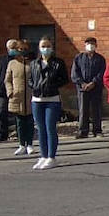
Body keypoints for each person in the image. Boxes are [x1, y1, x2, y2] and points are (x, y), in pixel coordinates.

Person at [28, 38, 68, 170]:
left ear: (52, 47)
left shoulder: (58, 63)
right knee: (40, 129)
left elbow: (64, 79)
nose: (45, 48)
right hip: (37, 99)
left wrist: (51, 85)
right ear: (39, 48)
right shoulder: (34, 63)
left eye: (48, 46)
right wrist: (34, 86)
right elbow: (30, 79)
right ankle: (43, 156)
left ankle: (52, 157)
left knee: (50, 127)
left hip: (52, 99)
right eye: (43, 46)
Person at [3, 40, 35, 158]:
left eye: (24, 48)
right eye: (20, 49)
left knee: (30, 121)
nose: (22, 51)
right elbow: (7, 80)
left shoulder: (32, 63)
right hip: (17, 97)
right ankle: (22, 144)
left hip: (30, 96)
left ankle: (30, 144)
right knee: (20, 122)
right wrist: (10, 92)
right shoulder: (12, 63)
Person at [71, 36, 106, 139]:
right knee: (83, 110)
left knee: (96, 109)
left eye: (92, 43)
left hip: (96, 88)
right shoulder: (79, 57)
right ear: (85, 45)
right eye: (88, 43)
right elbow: (74, 73)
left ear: (96, 45)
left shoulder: (100, 59)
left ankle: (97, 130)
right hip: (82, 88)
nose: (90, 45)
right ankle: (83, 131)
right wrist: (82, 83)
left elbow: (102, 73)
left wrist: (93, 82)